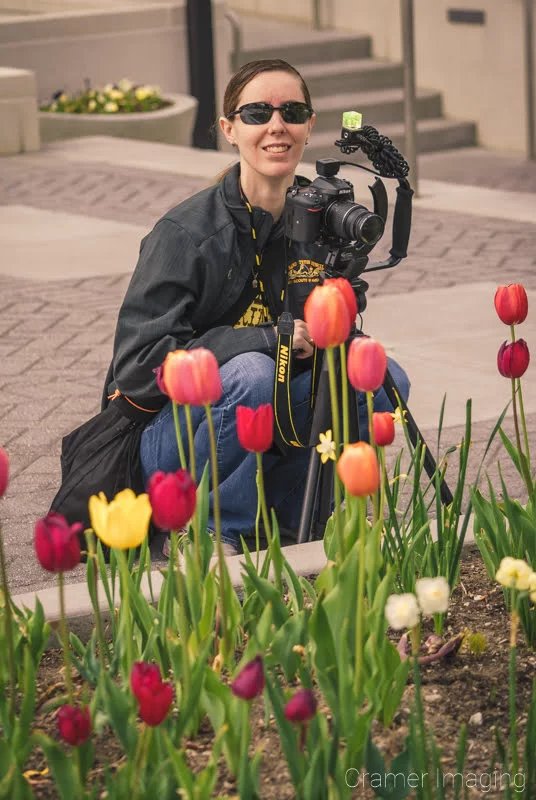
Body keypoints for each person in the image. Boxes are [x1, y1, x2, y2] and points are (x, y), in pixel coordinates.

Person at [104, 58, 410, 557]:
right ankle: (211, 532)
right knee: (251, 371)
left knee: (375, 376)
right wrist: (268, 339)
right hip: (166, 443)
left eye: (292, 111)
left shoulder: (320, 218)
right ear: (228, 129)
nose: (276, 126)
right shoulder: (186, 234)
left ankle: (294, 528)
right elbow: (138, 367)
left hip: (266, 421)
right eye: (256, 114)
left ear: (310, 126)